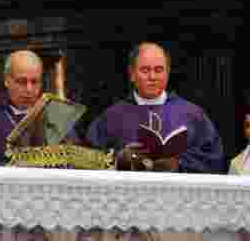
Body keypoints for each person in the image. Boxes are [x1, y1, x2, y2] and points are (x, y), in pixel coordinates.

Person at [83, 42, 223, 173]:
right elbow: (87, 159)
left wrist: (178, 164)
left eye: (159, 70)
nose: (152, 76)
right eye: (145, 70)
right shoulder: (111, 117)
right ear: (132, 74)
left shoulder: (192, 114)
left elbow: (213, 159)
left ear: (168, 73)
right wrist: (119, 160)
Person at [0, 50, 44, 166]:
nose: (29, 89)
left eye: (35, 82)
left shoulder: (53, 114)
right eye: (22, 82)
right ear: (7, 80)